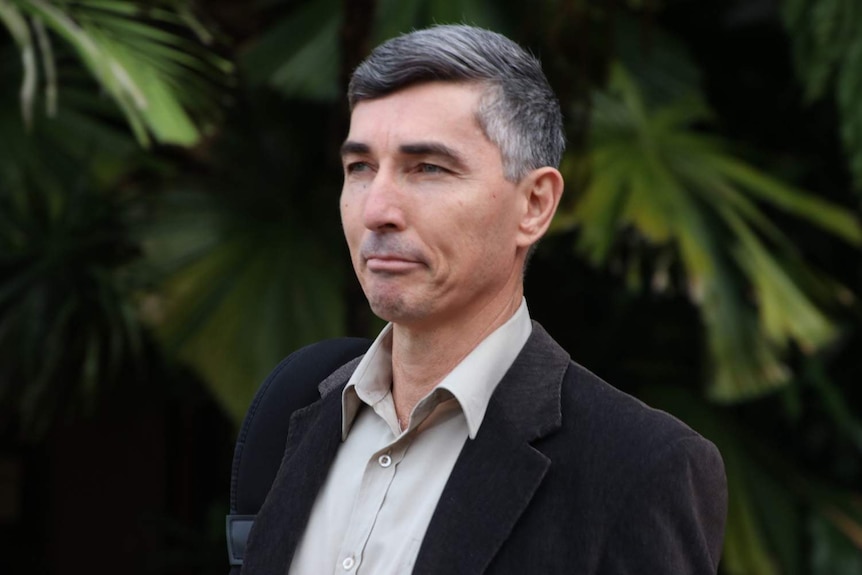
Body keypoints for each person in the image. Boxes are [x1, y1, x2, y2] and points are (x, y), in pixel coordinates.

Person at [241, 24, 727, 575]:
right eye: (360, 168)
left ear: (535, 205)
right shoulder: (291, 411)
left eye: (428, 168)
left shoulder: (638, 467)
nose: (377, 209)